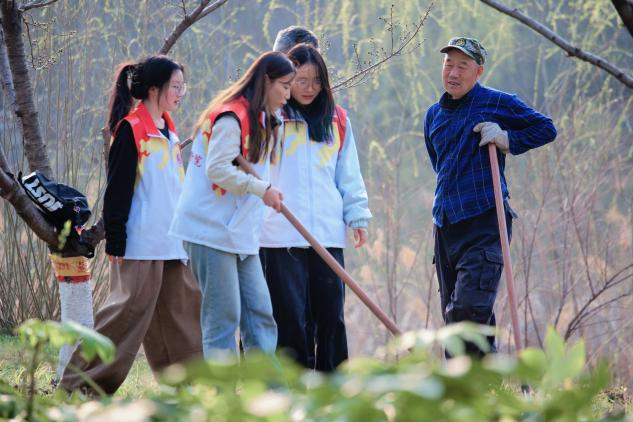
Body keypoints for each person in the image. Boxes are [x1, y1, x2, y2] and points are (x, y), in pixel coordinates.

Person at [61, 55, 203, 395]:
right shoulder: (131, 129)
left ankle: (189, 389)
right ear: (154, 89)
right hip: (140, 244)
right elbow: (118, 190)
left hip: (172, 243)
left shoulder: (169, 130)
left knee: (182, 315)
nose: (180, 93)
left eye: (182, 87)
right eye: (175, 87)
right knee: (124, 316)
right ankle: (77, 386)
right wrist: (116, 239)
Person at [424, 37, 557, 356]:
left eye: (463, 66)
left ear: (478, 71)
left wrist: (506, 138)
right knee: (458, 320)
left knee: (466, 312)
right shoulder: (433, 115)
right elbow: (439, 164)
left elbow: (546, 129)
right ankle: (474, 383)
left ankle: (471, 380)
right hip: (445, 227)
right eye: (448, 64)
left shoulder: (495, 102)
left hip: (486, 221)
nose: (453, 73)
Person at [169, 52, 295, 359]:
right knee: (223, 318)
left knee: (259, 314)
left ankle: (267, 386)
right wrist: (261, 189)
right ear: (266, 81)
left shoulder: (262, 118)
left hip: (240, 233)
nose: (288, 95)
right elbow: (217, 169)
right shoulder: (231, 116)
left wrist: (264, 190)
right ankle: (219, 388)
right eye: (285, 86)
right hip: (210, 230)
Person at [260, 44, 371, 371]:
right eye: (301, 81)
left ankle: (333, 384)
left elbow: (348, 173)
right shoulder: (272, 117)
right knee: (289, 317)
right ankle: (294, 387)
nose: (309, 88)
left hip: (326, 232)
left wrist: (357, 216)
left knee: (331, 316)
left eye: (317, 81)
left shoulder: (337, 119)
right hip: (281, 233)